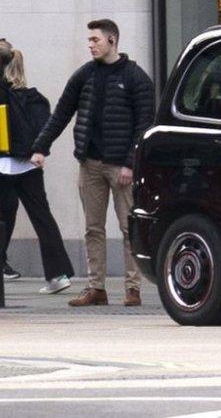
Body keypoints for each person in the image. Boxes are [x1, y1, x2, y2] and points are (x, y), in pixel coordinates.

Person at [30, 19, 155, 306]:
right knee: (93, 228)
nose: (90, 45)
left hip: (120, 166)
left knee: (128, 228)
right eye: (89, 41)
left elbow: (144, 124)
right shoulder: (85, 75)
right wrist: (41, 147)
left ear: (112, 40)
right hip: (90, 163)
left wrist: (130, 164)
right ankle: (96, 287)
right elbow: (61, 112)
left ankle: (132, 288)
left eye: (95, 40)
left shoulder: (135, 77)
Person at [0, 42, 75, 293]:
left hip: (3, 165)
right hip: (29, 166)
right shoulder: (34, 98)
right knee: (43, 219)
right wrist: (40, 151)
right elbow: (45, 129)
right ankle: (58, 275)